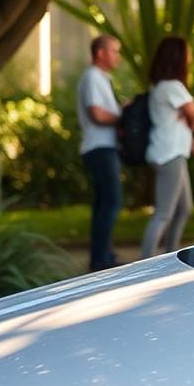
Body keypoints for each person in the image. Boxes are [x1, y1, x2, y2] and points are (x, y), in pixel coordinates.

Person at [140, 37, 194, 259]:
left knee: (183, 208)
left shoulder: (159, 87)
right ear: (178, 58)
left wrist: (186, 119)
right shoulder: (174, 87)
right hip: (170, 154)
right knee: (163, 214)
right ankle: (146, 263)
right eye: (187, 54)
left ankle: (169, 256)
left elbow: (192, 119)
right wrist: (190, 118)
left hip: (167, 152)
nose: (190, 58)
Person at [77, 35, 123, 271]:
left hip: (102, 146)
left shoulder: (101, 78)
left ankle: (102, 254)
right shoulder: (93, 77)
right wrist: (122, 118)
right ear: (100, 53)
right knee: (112, 201)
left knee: (104, 203)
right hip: (99, 147)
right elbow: (97, 113)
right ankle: (101, 259)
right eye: (114, 51)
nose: (117, 56)